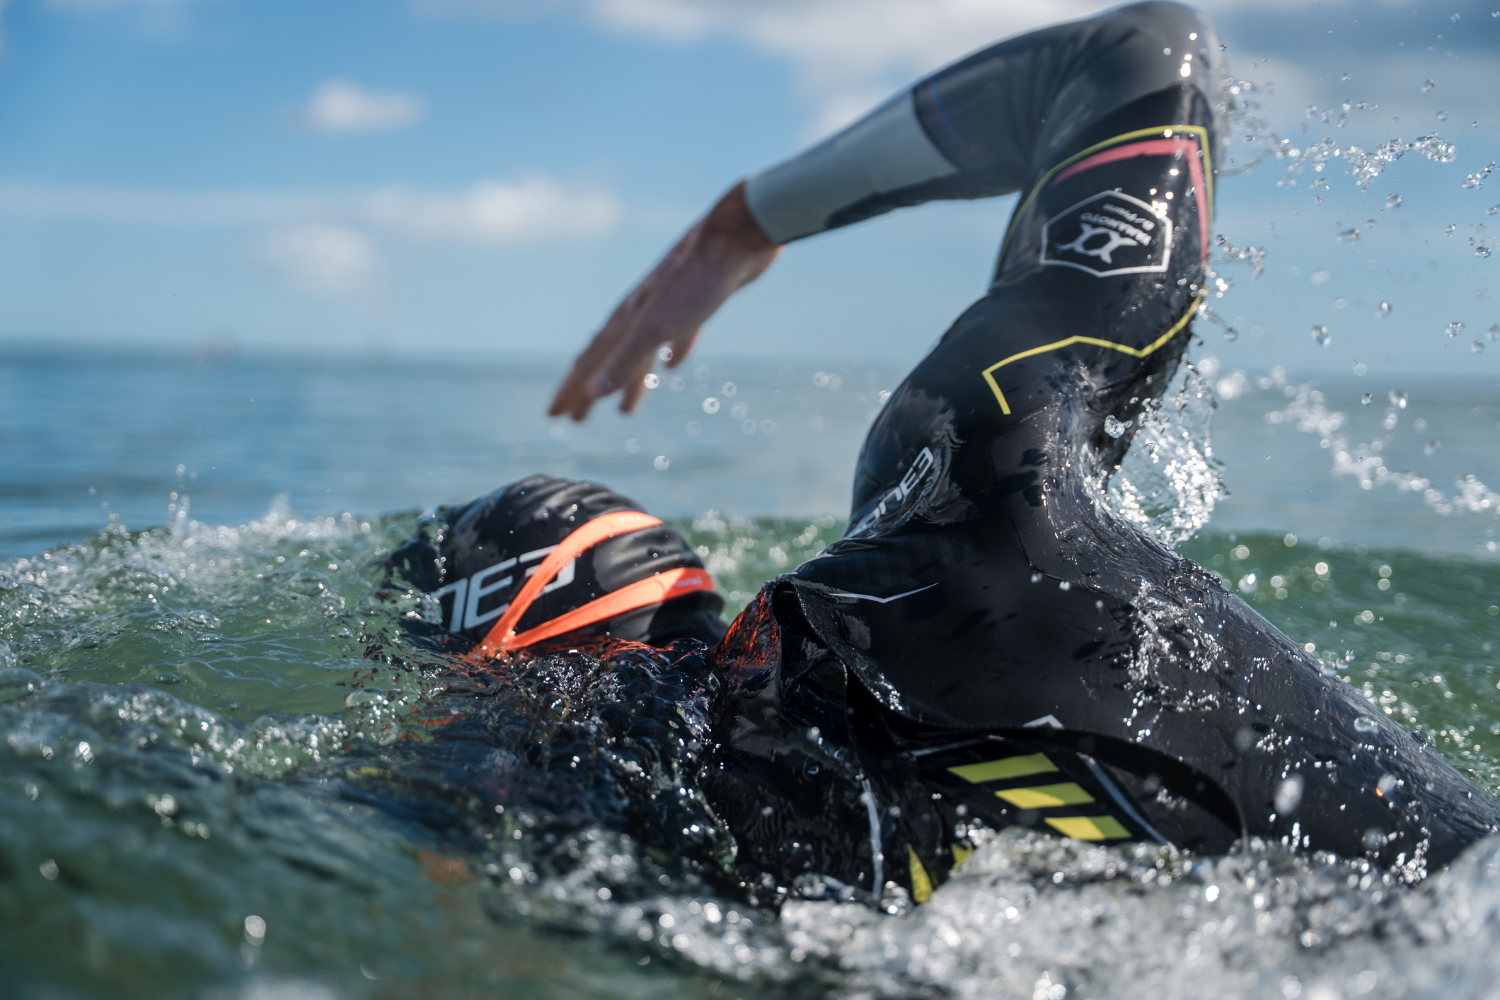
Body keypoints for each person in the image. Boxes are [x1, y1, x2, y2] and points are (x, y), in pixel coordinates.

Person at [394, 1, 1500, 903]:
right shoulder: (955, 501)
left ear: (489, 664)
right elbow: (1141, 48)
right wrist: (749, 220)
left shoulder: (681, 879)